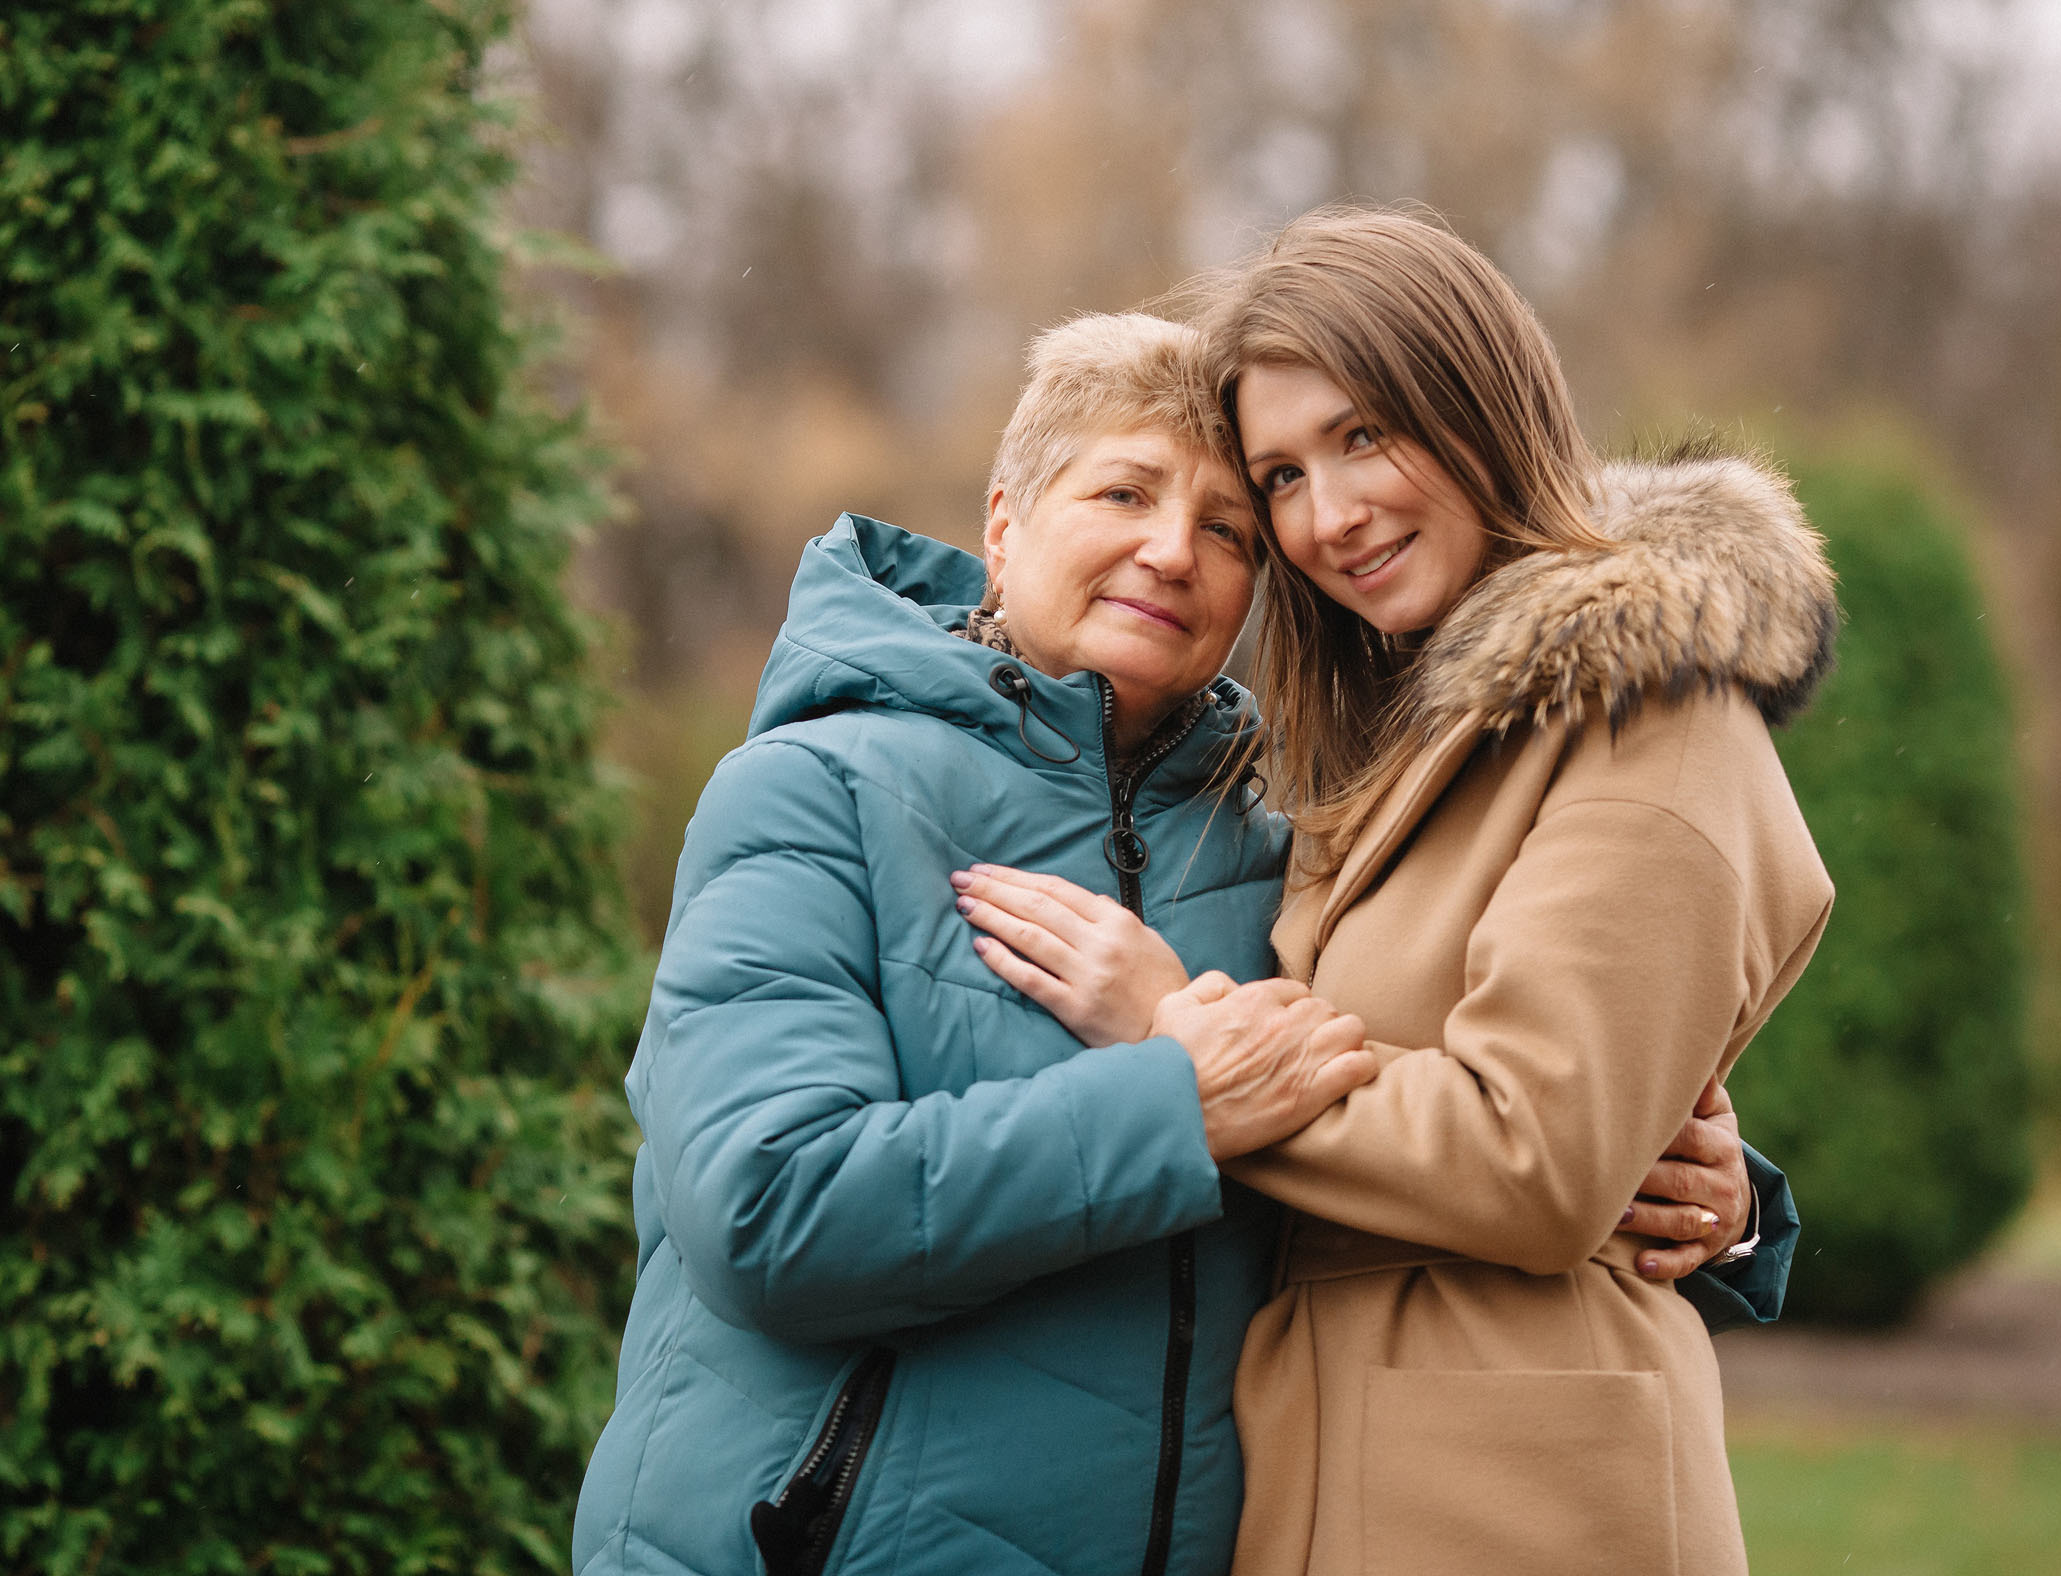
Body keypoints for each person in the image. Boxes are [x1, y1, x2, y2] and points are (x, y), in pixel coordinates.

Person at [573, 312, 1786, 1576]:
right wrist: (1173, 1107)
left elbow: (1398, 1111)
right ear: (1004, 522)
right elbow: (771, 1210)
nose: (1171, 551)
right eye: (1124, 491)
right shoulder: (814, 789)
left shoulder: (1284, 848)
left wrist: (1719, 1194)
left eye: (1227, 529)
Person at [954, 209, 1832, 1576]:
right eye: (1285, 475)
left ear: (1480, 399)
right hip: (1323, 1454)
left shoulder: (1651, 711)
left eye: (1365, 435)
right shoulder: (1377, 742)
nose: (1329, 516)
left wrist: (1175, 1041)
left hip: (1520, 1493)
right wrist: (1721, 1185)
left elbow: (1536, 1160)